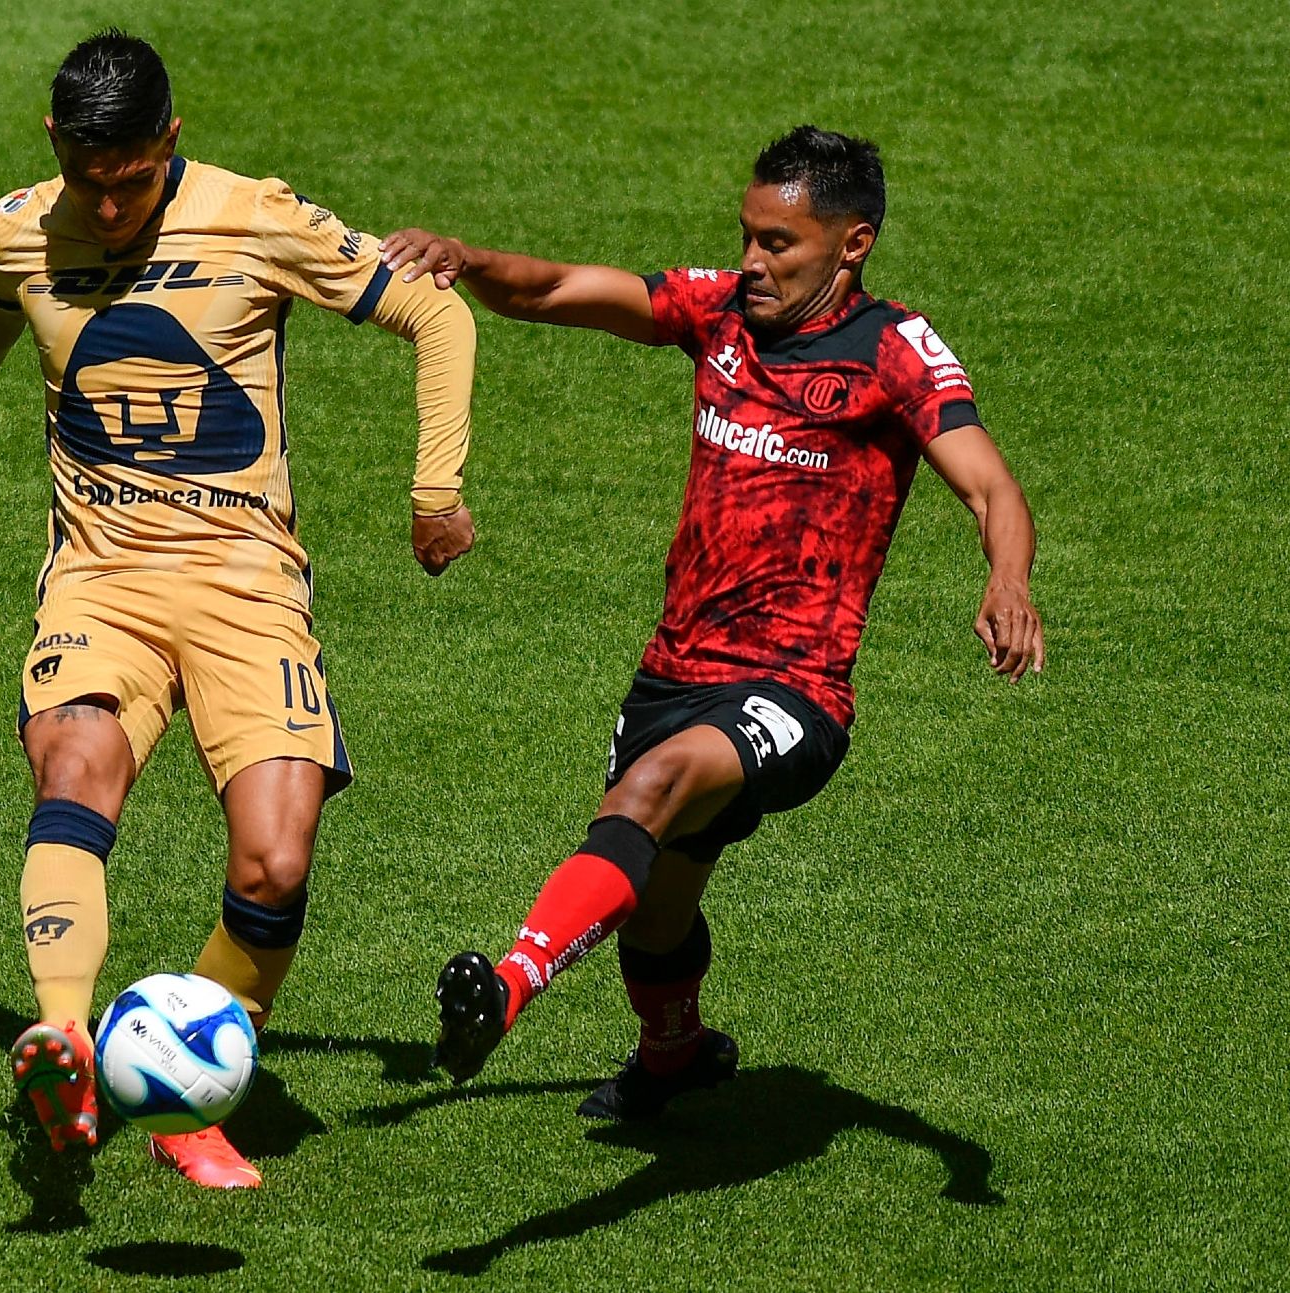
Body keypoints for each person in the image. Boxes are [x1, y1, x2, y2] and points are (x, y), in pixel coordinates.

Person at [0, 28, 476, 1187]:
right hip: (101, 583)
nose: (108, 209)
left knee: (275, 864)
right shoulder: (21, 227)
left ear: (172, 141)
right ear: (56, 145)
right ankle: (63, 1041)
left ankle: (189, 1097)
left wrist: (434, 492)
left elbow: (436, 316)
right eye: (87, 182)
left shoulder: (256, 217)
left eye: (133, 182)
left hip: (246, 585)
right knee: (74, 765)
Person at [382, 125, 1043, 1119]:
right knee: (654, 907)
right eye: (746, 235)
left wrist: (1009, 582)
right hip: (675, 671)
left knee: (650, 790)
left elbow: (990, 485)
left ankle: (505, 990)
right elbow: (556, 290)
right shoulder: (720, 310)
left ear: (853, 243)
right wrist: (466, 259)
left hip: (794, 688)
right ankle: (676, 1054)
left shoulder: (893, 353)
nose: (752, 261)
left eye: (778, 243)